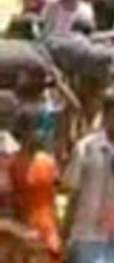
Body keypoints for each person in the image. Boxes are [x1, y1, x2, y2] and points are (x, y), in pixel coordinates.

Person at [64, 90, 114, 263]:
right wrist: (65, 233)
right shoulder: (86, 148)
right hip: (86, 235)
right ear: (105, 116)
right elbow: (73, 192)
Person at [10, 108, 61, 263]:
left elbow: (53, 198)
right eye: (34, 128)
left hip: (48, 230)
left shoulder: (48, 162)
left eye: (40, 128)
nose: (39, 133)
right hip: (22, 232)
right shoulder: (13, 164)